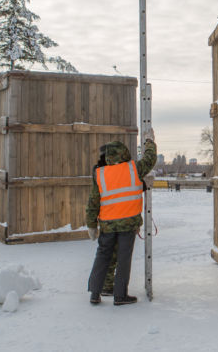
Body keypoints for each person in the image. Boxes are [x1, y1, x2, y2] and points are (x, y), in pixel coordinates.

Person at [86, 129, 156, 305]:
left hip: (107, 225)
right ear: (124, 153)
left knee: (102, 256)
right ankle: (120, 295)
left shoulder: (100, 174)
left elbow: (93, 201)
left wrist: (91, 225)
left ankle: (95, 293)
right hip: (128, 224)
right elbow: (150, 158)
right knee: (124, 259)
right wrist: (149, 141)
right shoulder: (133, 168)